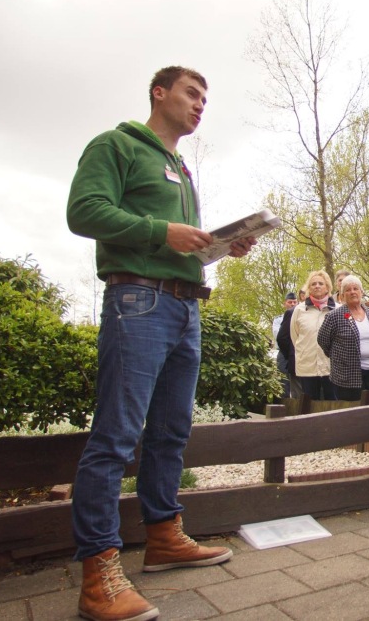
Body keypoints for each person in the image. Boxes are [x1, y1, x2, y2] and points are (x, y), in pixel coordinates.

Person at [66, 66, 253, 621]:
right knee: (116, 436)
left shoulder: (181, 168)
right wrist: (161, 231)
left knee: (172, 430)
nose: (200, 105)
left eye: (205, 98)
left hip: (185, 304)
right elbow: (83, 213)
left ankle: (165, 537)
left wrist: (217, 245)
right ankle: (98, 575)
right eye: (192, 93)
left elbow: (178, 245)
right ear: (159, 93)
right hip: (137, 302)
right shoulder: (116, 145)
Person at [318, 275, 369, 400]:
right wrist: (338, 356)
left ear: (361, 292)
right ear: (342, 295)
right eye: (348, 289)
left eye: (355, 288)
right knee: (352, 414)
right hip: (347, 375)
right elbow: (323, 340)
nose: (352, 292)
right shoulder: (334, 316)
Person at [291, 270, 336, 401]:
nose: (317, 286)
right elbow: (295, 336)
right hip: (307, 367)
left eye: (321, 283)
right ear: (308, 288)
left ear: (327, 287)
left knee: (332, 405)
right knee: (309, 406)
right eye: (313, 284)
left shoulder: (337, 309)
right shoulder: (299, 310)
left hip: (330, 367)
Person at [273, 292, 298, 399]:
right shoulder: (278, 319)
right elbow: (279, 336)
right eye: (289, 302)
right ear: (285, 304)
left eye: (294, 302)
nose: (292, 304)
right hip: (284, 352)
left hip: (297, 352)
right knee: (283, 382)